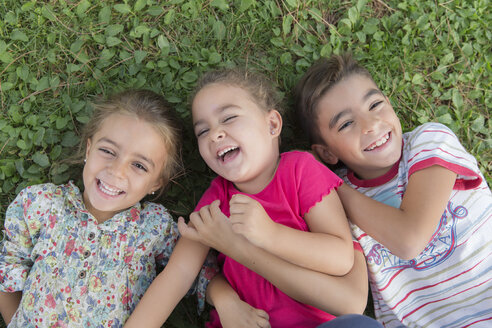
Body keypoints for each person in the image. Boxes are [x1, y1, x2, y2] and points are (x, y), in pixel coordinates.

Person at [294, 53, 492, 328]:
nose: (371, 124)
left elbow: (409, 240)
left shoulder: (428, 142)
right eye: (346, 124)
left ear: (389, 103)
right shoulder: (334, 205)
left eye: (375, 105)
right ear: (327, 152)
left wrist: (328, 183)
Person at [173, 68, 381, 328]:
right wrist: (225, 300)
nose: (214, 134)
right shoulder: (215, 200)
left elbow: (340, 257)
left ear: (272, 124)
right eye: (203, 131)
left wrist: (269, 234)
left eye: (228, 118)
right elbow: (178, 275)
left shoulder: (300, 170)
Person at [0, 90, 210, 327]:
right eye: (108, 151)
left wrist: (225, 300)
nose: (116, 171)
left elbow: (197, 273)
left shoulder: (154, 227)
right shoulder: (41, 203)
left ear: (156, 183)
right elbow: (7, 269)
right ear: (89, 149)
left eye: (139, 165)